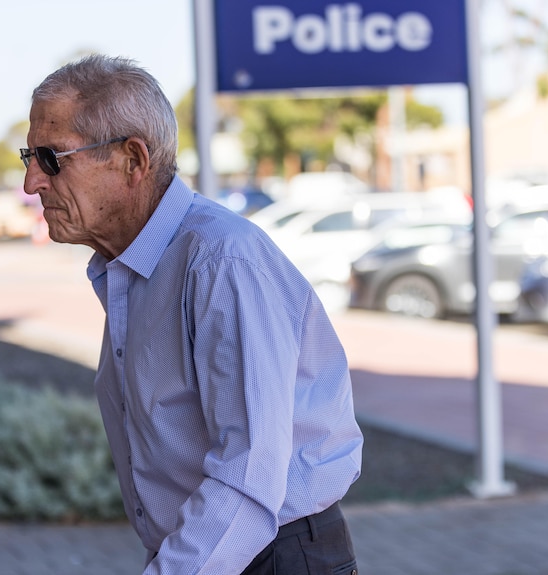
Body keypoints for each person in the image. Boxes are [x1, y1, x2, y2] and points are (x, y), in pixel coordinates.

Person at [22, 54, 363, 575]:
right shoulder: (128, 266)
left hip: (274, 557)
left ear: (133, 159)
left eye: (50, 158)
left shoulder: (222, 261)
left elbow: (248, 479)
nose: (31, 183)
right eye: (28, 156)